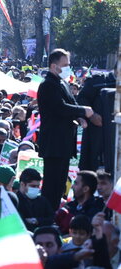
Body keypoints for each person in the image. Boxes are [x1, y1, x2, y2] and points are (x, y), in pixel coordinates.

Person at [37, 49, 94, 209]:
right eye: (65, 65)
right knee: (51, 185)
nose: (68, 68)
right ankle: (47, 218)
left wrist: (79, 116)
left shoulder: (62, 83)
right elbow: (60, 107)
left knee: (60, 184)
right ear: (54, 66)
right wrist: (83, 111)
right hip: (54, 143)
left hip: (64, 143)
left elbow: (71, 102)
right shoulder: (47, 85)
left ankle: (54, 214)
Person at [56, 170, 105, 234]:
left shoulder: (97, 208)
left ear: (85, 189)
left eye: (76, 183)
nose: (72, 186)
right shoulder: (69, 206)